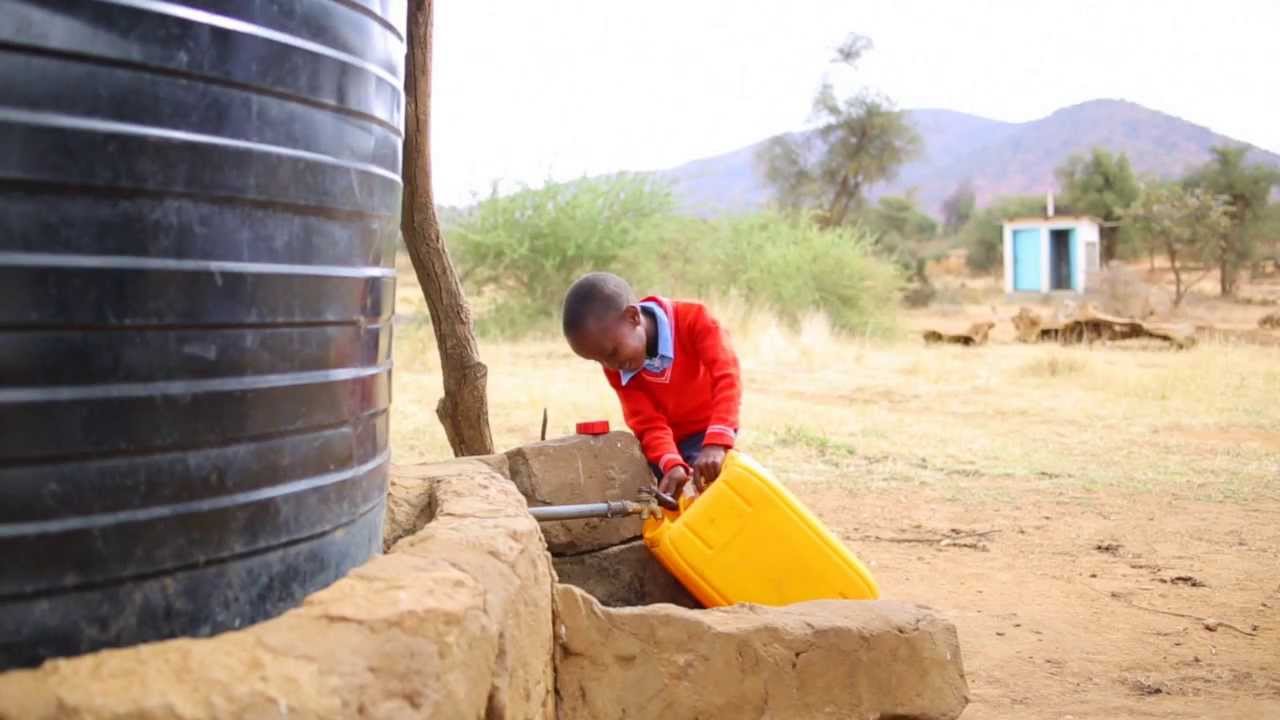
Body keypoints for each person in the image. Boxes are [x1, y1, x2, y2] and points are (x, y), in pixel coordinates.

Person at [562, 272, 741, 499]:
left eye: (612, 353)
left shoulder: (695, 320)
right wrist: (671, 463)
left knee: (711, 489)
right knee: (659, 491)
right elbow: (647, 423)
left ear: (633, 317)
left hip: (708, 431)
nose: (610, 365)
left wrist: (716, 443)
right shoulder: (617, 365)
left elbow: (727, 378)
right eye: (599, 361)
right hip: (665, 443)